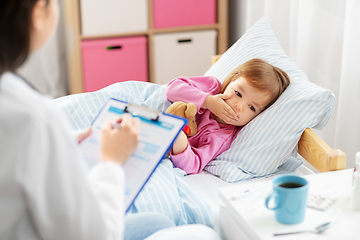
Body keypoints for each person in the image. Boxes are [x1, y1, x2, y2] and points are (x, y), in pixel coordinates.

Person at [0, 1, 221, 240]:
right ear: (37, 13)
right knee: (203, 234)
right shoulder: (36, 119)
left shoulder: (21, 109)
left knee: (156, 222)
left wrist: (61, 142)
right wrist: (111, 162)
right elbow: (90, 234)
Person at [166, 58, 290, 174]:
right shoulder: (212, 87)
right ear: (232, 80)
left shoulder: (222, 136)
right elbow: (172, 89)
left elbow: (192, 165)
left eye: (251, 107)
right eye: (238, 93)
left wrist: (179, 139)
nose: (239, 106)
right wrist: (207, 101)